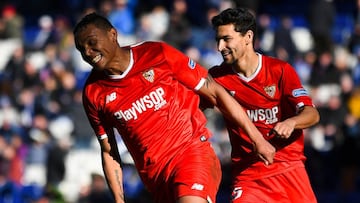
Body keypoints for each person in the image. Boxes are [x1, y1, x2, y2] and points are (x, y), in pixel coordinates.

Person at [73, 12, 275, 203]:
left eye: (92, 43)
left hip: (192, 154)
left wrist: (256, 138)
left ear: (113, 34)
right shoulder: (93, 93)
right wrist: (119, 200)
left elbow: (214, 91)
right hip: (156, 178)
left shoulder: (156, 54)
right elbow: (109, 151)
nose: (88, 53)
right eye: (82, 49)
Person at [208, 8, 320, 203]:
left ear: (247, 37)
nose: (220, 47)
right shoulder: (216, 78)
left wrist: (292, 122)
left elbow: (312, 114)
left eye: (226, 39)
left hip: (289, 170)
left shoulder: (280, 70)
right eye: (218, 40)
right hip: (248, 175)